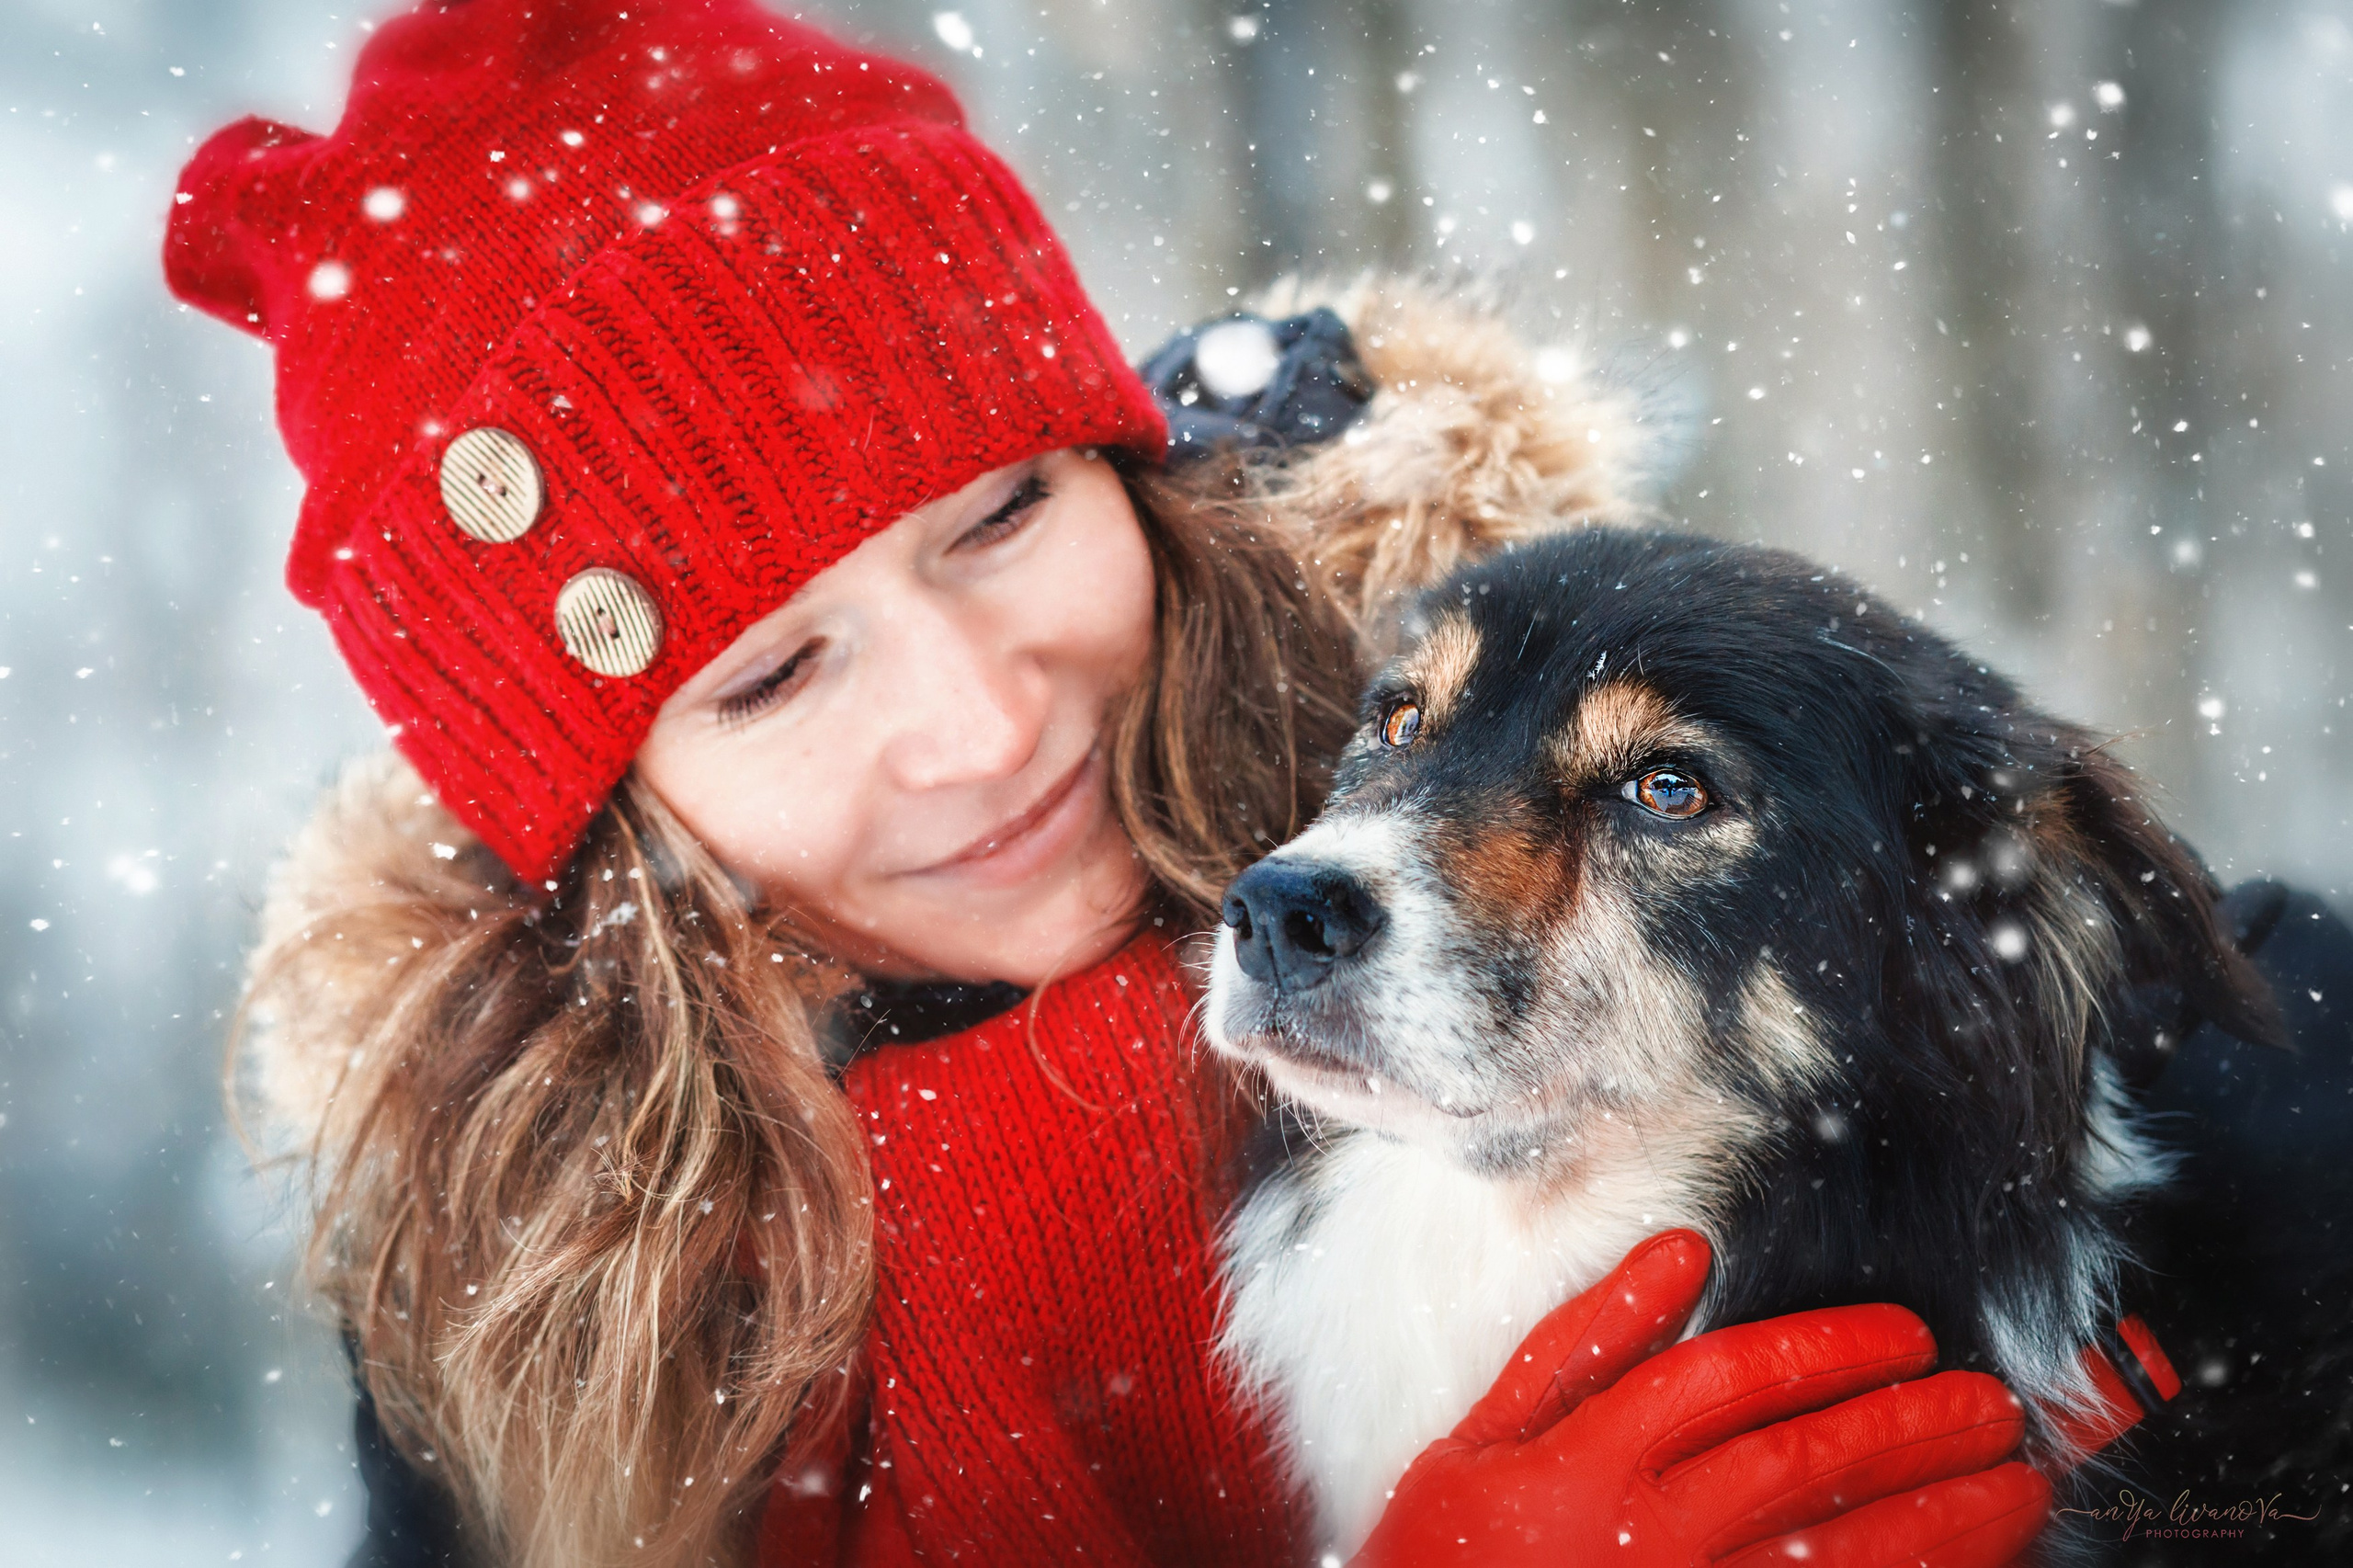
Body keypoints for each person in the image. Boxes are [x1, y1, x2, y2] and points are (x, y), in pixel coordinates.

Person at [175, 2, 2054, 1565]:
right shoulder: (539, 1297)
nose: (983, 724)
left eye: (1000, 515)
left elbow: (2127, 982)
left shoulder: (1477, 732)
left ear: (1118, 464)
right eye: (772, 673)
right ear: (617, 811)